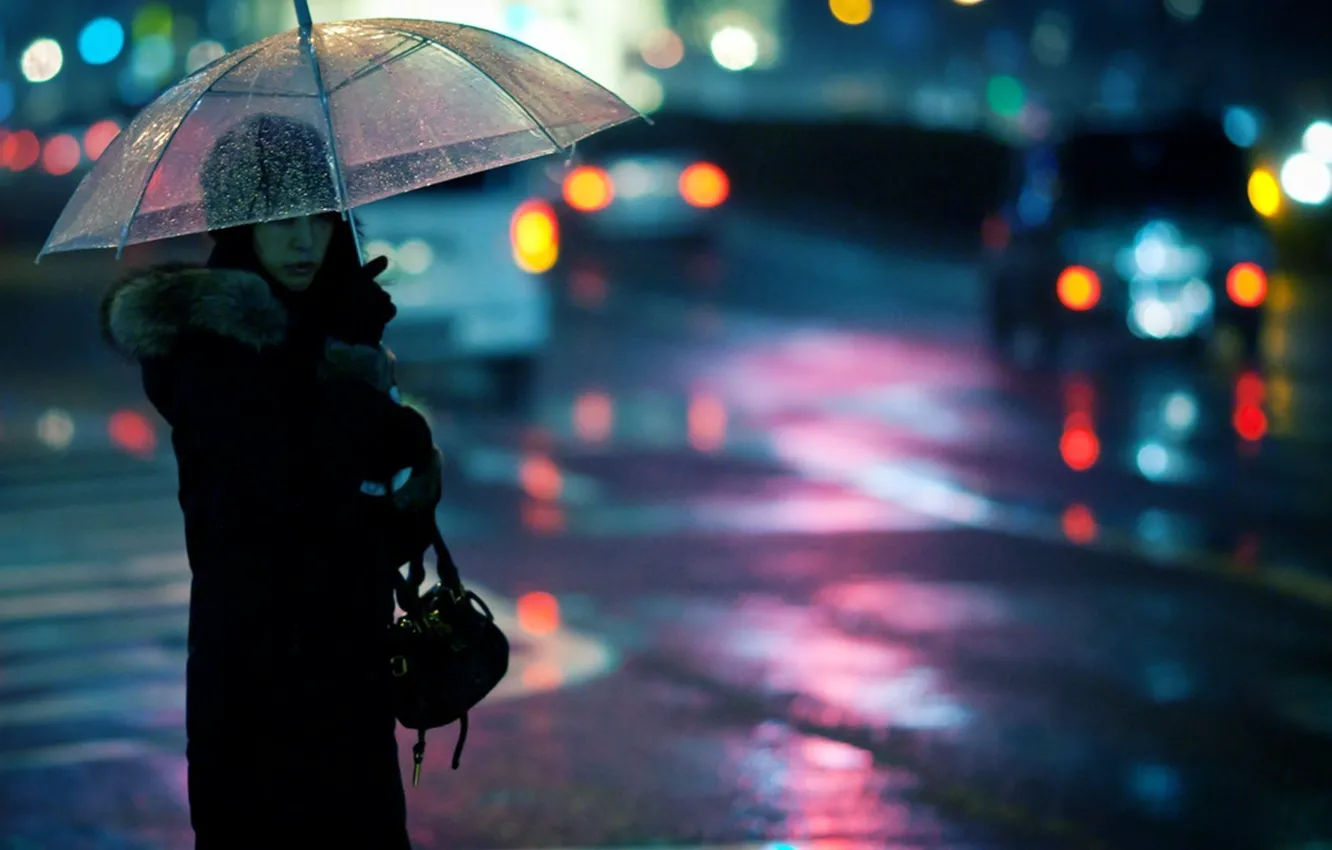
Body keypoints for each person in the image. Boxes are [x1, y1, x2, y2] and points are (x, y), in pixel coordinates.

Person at [99, 114, 440, 849]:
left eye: (316, 219)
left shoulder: (341, 330)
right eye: (277, 220)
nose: (301, 241)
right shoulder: (212, 350)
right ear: (238, 225)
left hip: (348, 672)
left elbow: (380, 521)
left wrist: (411, 469)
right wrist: (356, 410)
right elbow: (268, 501)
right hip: (255, 680)